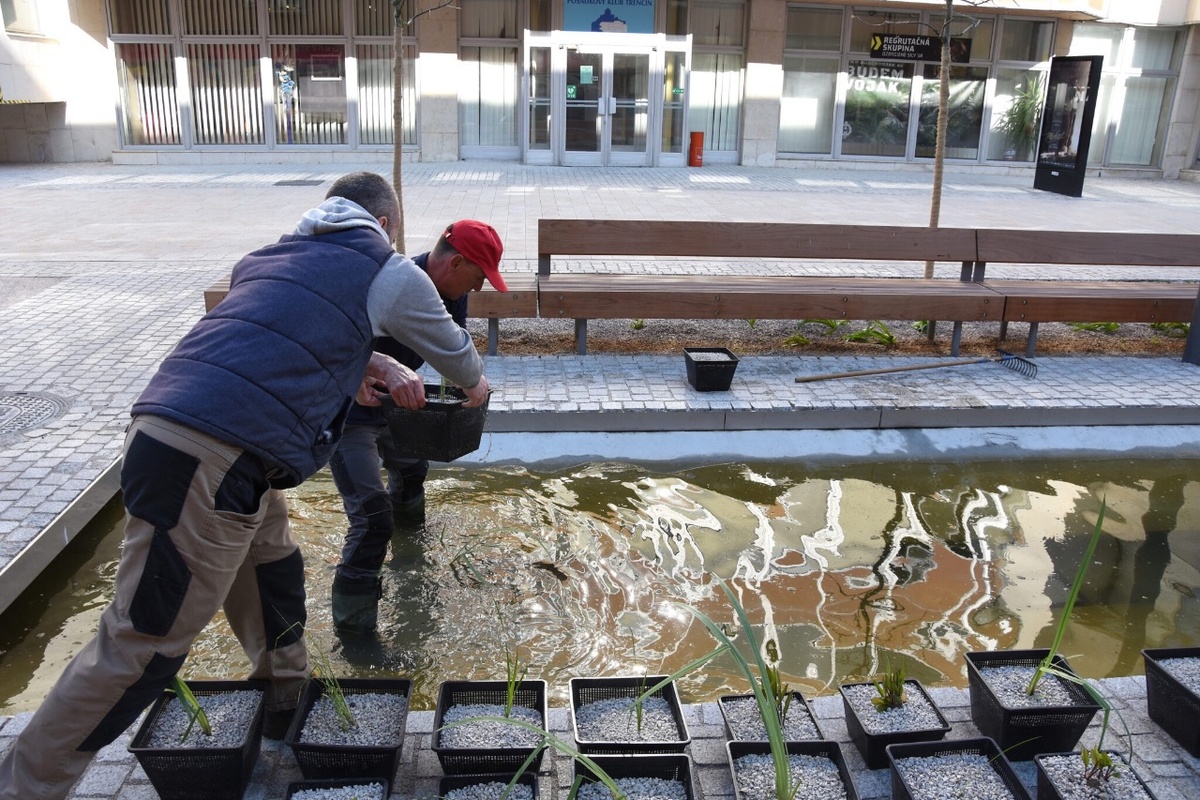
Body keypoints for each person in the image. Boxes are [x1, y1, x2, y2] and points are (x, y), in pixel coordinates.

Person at [0, 171, 503, 800]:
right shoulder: (389, 268)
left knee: (273, 566)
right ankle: (24, 787)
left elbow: (275, 337)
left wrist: (364, 361)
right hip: (209, 456)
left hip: (195, 439)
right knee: (141, 650)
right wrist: (475, 392)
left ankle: (283, 706)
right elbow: (465, 365)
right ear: (388, 225)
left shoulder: (270, 257)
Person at [329, 219, 505, 633]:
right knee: (371, 517)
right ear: (457, 262)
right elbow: (331, 339)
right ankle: (354, 631)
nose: (479, 288)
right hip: (350, 412)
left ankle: (410, 558)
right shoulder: (384, 284)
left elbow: (451, 351)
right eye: (479, 277)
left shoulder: (450, 293)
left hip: (399, 405)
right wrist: (360, 374)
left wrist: (464, 385)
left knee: (411, 474)